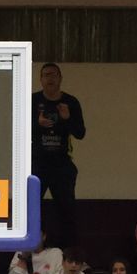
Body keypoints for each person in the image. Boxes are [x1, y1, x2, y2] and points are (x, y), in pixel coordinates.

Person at [31, 62, 86, 245]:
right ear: (41, 79)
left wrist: (67, 119)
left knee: (67, 212)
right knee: (30, 211)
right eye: (46, 75)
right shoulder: (32, 101)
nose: (50, 78)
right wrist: (37, 124)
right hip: (37, 164)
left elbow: (80, 133)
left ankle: (70, 257)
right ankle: (27, 253)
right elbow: (18, 131)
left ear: (60, 79)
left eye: (54, 75)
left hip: (62, 164)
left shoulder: (71, 102)